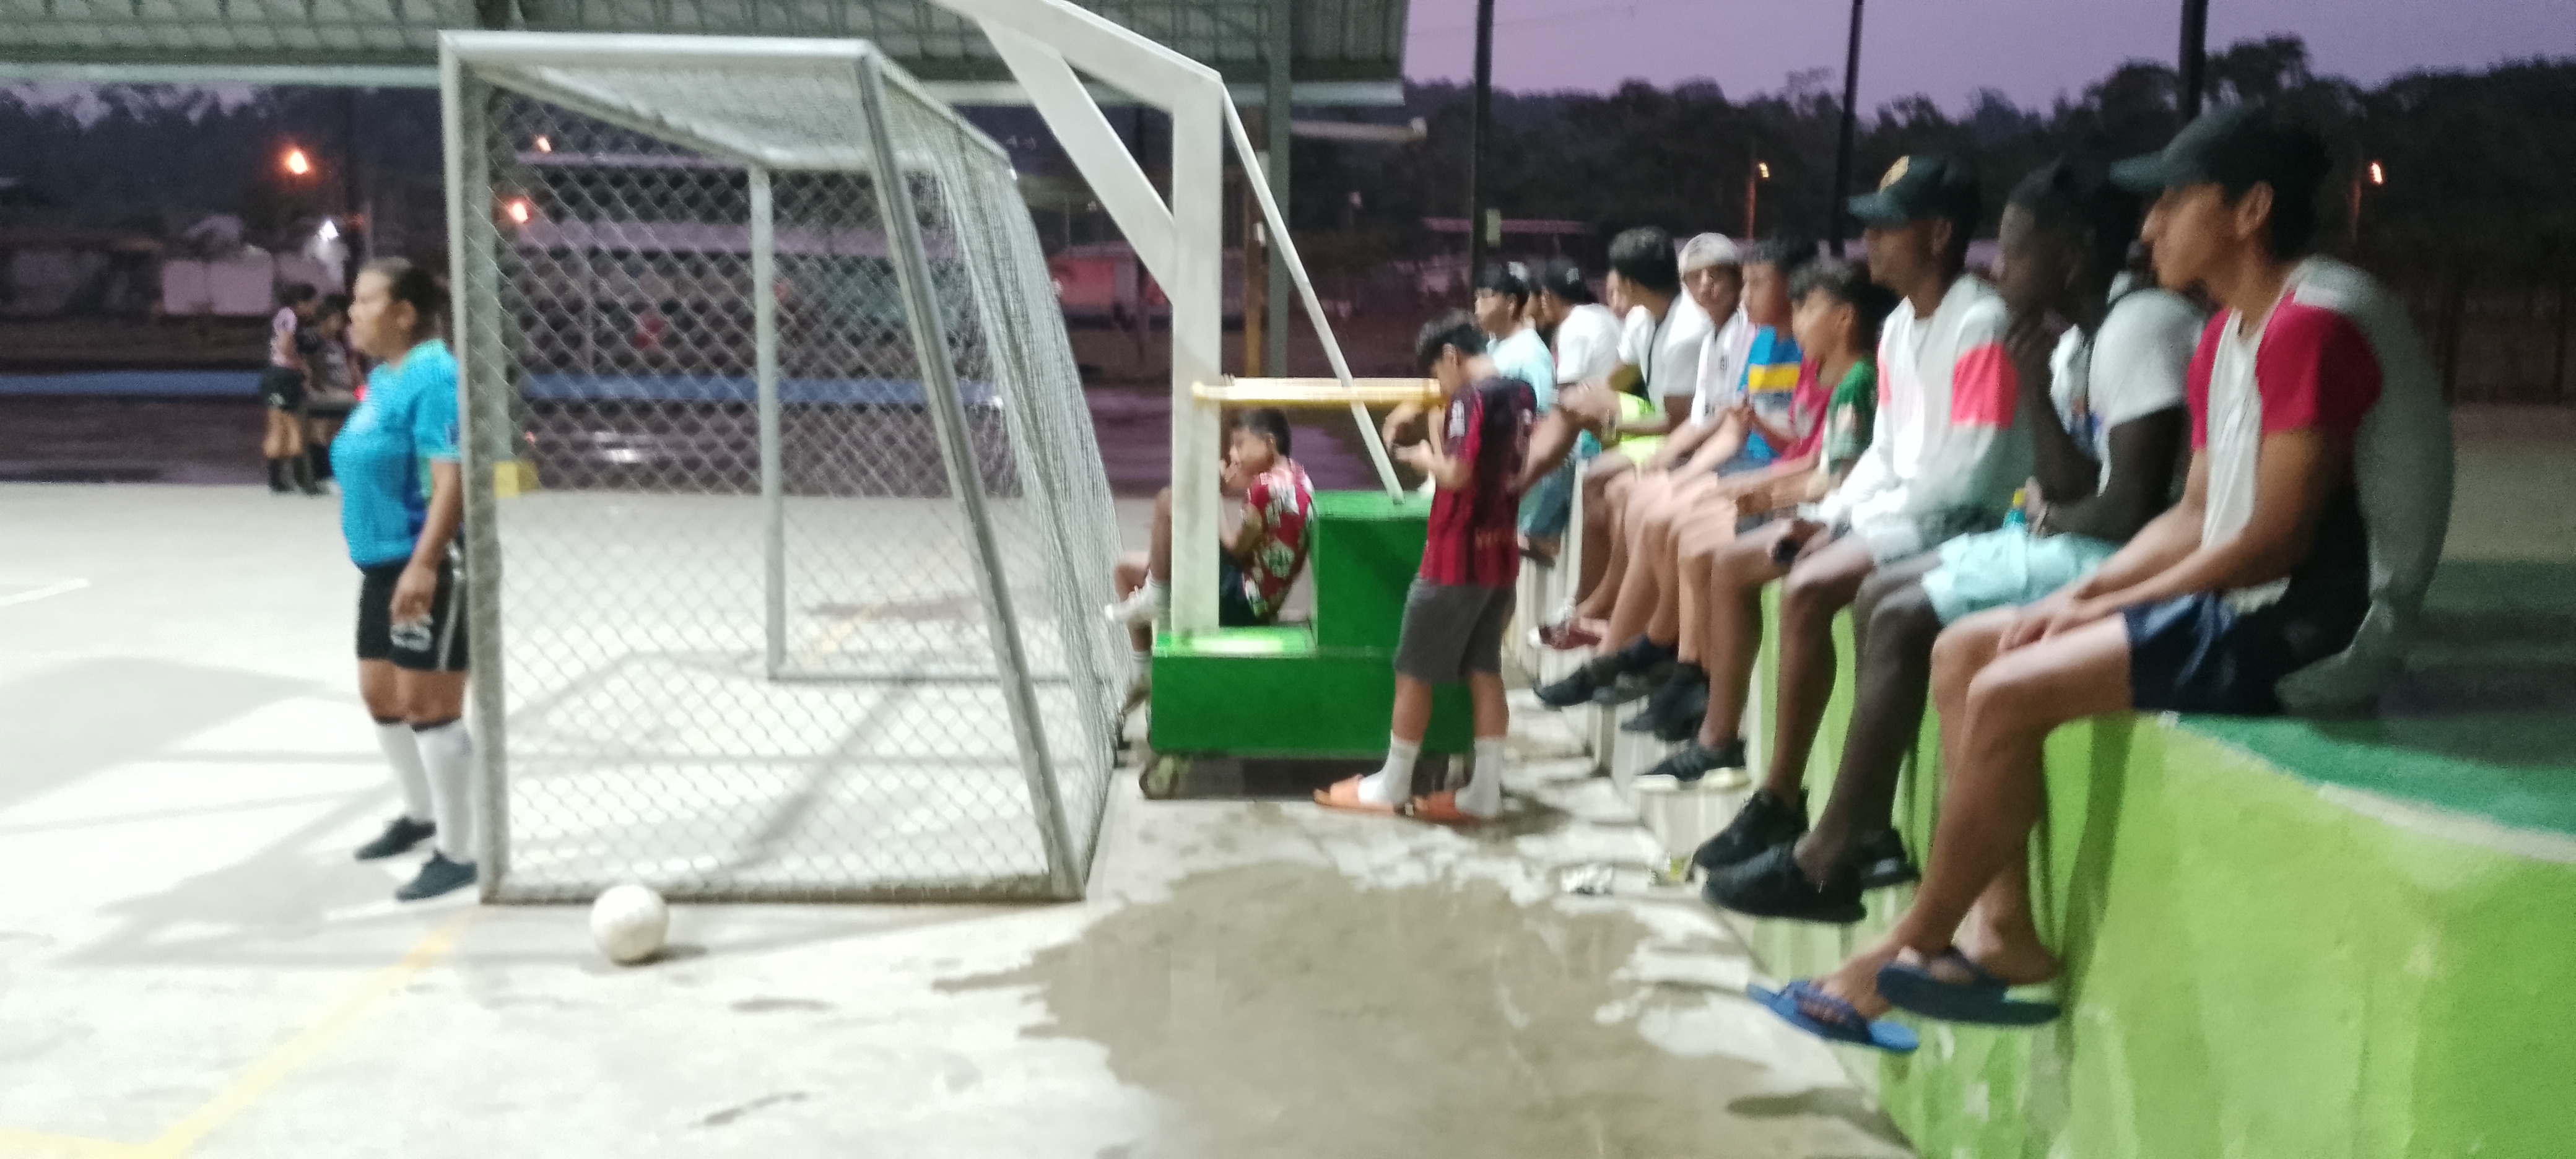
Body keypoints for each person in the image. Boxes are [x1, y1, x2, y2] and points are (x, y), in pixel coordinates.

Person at [1759, 107, 2450, 1050]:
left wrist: (2114, 600)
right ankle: (2002, 931)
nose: (2149, 225)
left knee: (2003, 689)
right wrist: (2082, 595)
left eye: (2172, 200)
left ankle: (1902, 949)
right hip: (2247, 600)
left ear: (2250, 210)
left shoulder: (2313, 324)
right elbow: (2194, 514)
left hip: (2318, 631)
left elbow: (2276, 542)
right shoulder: (2228, 333)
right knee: (1965, 650)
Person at [1704, 160, 2200, 921]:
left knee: (1861, 600)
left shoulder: (2030, 325)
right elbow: (1922, 459)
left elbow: (2014, 484)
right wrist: (1837, 516)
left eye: (2016, 250)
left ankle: (1823, 848)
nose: (2000, 269)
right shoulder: (2049, 341)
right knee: (1869, 595)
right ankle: (1848, 827)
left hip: (2005, 522)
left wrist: (1852, 521)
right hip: (2006, 521)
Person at [1648, 155, 2026, 788]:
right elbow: (1884, 452)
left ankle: (1782, 792)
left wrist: (1845, 527)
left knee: (1808, 586)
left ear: (1938, 234)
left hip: (1963, 520)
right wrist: (1831, 516)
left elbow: (1964, 477)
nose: (1868, 239)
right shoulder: (1899, 327)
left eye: (1887, 227)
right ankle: (1717, 737)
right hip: (1901, 510)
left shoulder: (1979, 324)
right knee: (1734, 563)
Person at [1532, 237, 1812, 710]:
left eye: (1731, 278)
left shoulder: (1751, 338)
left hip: (1768, 477)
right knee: (1640, 498)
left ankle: (1645, 653)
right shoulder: (1749, 338)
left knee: (1659, 513)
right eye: (1696, 277)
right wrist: (1675, 467)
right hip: (1736, 463)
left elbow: (1756, 434)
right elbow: (1725, 423)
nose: (1710, 287)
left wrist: (1678, 463)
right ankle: (1630, 644)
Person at [1316, 313, 1534, 822]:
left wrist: (1421, 457)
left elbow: (1456, 473)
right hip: (1500, 555)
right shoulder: (1521, 393)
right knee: (1485, 669)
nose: (1439, 386)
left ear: (1451, 357)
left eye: (1438, 374)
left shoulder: (1470, 399)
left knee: (1413, 670)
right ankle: (1484, 793)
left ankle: (1391, 785)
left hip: (1454, 560)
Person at [336, 259, 479, 903]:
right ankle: (419, 816)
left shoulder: (436, 378)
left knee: (430, 708)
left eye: (366, 302)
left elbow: (452, 481)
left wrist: (424, 564)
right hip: (380, 567)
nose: (352, 313)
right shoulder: (386, 379)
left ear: (404, 313)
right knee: (381, 697)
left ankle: (459, 851)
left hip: (425, 564)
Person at [1108, 408, 1315, 708]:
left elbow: (1234, 549)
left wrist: (1213, 494)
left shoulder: (1264, 488)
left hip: (1243, 603)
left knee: (1169, 500)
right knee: (1126, 570)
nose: (1233, 454)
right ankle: (1143, 672)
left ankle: (1157, 595)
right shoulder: (1297, 476)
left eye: (1240, 444)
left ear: (1269, 443)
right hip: (1260, 599)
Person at [1518, 259, 1625, 569]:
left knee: (1556, 442)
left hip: (1596, 430)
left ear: (1547, 298)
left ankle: (1543, 532)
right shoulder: (1601, 315)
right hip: (1613, 415)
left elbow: (1566, 397)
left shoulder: (1573, 327)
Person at [259, 282, 325, 495]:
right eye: (313, 302)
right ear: (302, 302)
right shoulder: (291, 316)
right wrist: (303, 367)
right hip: (284, 377)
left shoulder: (281, 315)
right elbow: (286, 349)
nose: (315, 307)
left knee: (278, 429)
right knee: (295, 428)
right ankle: (305, 481)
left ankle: (276, 481)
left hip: (273, 376)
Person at [303, 292, 361, 486]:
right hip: (324, 392)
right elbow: (313, 367)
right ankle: (321, 475)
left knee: (336, 430)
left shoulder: (338, 342)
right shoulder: (313, 340)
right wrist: (320, 388)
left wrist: (358, 385)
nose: (340, 325)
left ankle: (337, 471)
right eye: (337, 320)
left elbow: (351, 364)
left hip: (341, 390)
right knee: (320, 431)